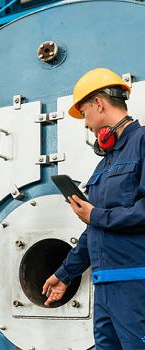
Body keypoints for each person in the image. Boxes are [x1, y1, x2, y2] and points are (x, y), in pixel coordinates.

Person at [42, 68, 145, 349]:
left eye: (84, 112)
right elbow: (95, 227)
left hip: (136, 285)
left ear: (99, 103)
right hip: (105, 288)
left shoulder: (142, 142)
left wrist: (95, 214)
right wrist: (64, 274)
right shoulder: (105, 164)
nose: (86, 123)